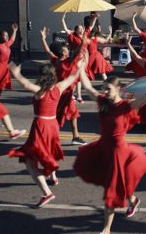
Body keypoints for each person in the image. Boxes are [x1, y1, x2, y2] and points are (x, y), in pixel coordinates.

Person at [72, 74, 146, 234]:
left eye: (108, 89)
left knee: (112, 191)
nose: (105, 92)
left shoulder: (125, 106)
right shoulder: (103, 102)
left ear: (118, 89)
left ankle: (106, 231)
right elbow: (88, 87)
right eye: (104, 89)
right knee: (119, 184)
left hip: (118, 153)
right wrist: (81, 68)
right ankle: (133, 201)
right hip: (103, 150)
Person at [6, 56, 86, 208]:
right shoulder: (59, 88)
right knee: (49, 151)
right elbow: (73, 77)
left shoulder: (39, 91)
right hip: (53, 125)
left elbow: (24, 83)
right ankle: (53, 178)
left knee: (30, 162)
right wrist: (81, 66)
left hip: (41, 125)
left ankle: (47, 193)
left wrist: (15, 72)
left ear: (41, 76)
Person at [40, 27, 88, 145]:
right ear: (63, 52)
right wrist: (82, 41)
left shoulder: (55, 60)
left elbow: (47, 51)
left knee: (72, 114)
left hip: (60, 92)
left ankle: (75, 137)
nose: (67, 48)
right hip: (64, 94)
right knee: (58, 116)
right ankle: (48, 137)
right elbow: (77, 51)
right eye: (65, 47)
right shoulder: (68, 61)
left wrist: (43, 39)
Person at [60, 12, 88, 101]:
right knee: (73, 77)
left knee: (79, 78)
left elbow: (89, 28)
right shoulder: (72, 36)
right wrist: (62, 19)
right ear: (76, 31)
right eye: (79, 29)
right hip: (75, 58)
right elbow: (66, 29)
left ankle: (79, 96)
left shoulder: (84, 37)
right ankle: (71, 94)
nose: (81, 30)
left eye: (82, 28)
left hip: (82, 58)